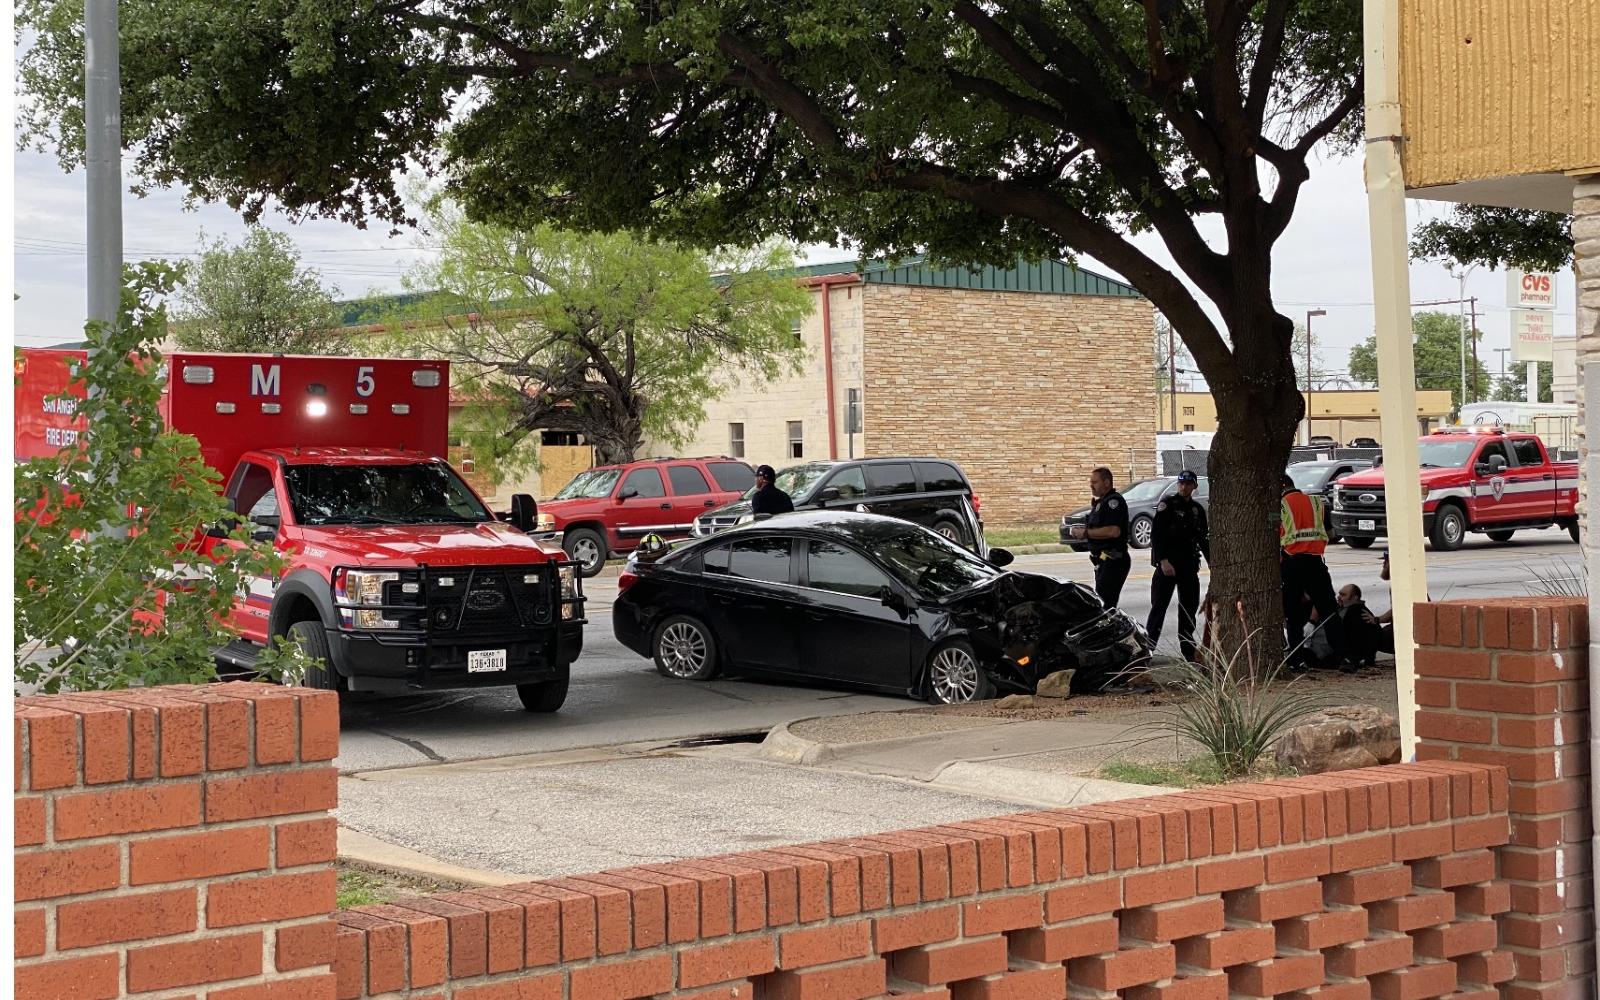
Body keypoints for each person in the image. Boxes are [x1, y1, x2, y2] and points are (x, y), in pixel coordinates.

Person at [1280, 473, 1342, 669]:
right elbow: (1331, 532)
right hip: (1316, 563)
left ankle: (1296, 660)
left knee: (1293, 615)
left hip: (1292, 563)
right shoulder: (1315, 503)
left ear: (1281, 486)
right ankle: (1344, 656)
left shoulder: (1280, 505)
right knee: (1329, 611)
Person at [1146, 470, 1208, 662]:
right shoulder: (1168, 505)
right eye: (1181, 483)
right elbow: (1156, 535)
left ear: (1194, 486)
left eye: (1188, 484)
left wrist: (1213, 564)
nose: (1184, 487)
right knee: (1159, 608)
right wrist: (1162, 560)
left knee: (1188, 609)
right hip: (1168, 565)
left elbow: (1203, 540)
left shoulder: (1197, 510)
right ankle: (1147, 650)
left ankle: (1188, 650)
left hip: (1188, 564)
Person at [1070, 467, 1131, 607]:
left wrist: (1085, 533)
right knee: (1102, 603)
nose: (1091, 485)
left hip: (1113, 560)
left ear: (1107, 482)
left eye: (1095, 482)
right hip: (1103, 560)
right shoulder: (1102, 502)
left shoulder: (1113, 502)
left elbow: (1114, 531)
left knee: (1105, 606)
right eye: (1091, 482)